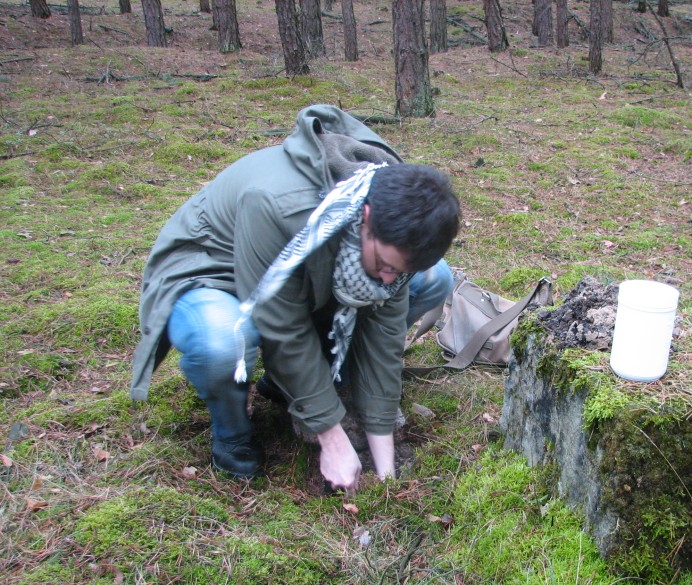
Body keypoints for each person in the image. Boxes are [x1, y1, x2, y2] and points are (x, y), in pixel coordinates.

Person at [130, 105, 460, 493]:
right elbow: (282, 326)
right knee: (220, 341)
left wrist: (384, 465)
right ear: (366, 218)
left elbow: (384, 338)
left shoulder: (396, 215)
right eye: (385, 265)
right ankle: (232, 434)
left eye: (397, 272)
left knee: (435, 279)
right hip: (214, 273)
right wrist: (332, 440)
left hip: (303, 276)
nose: (390, 278)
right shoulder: (278, 205)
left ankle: (302, 384)